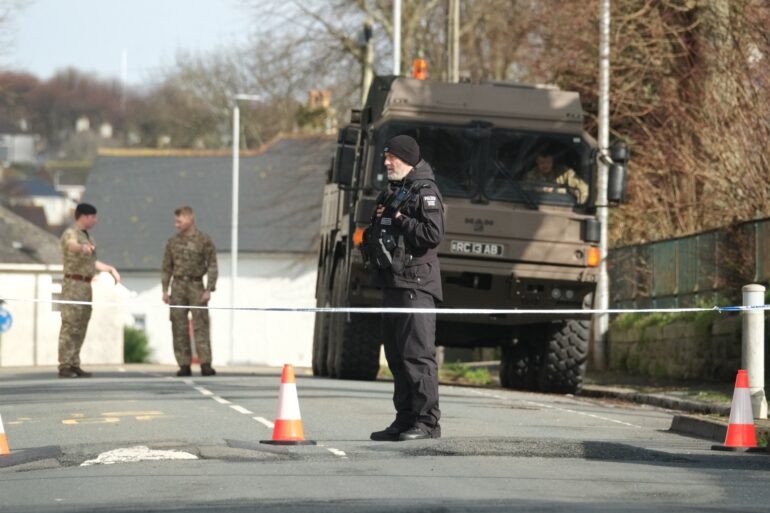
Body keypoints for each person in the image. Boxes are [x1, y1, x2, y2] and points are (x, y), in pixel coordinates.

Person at [365, 135, 445, 441]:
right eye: (385, 157)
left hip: (416, 284)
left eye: (391, 158)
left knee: (417, 356)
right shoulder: (393, 192)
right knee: (396, 357)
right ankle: (406, 418)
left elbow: (432, 234)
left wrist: (400, 220)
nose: (386, 162)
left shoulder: (426, 191)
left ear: (407, 158)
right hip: (393, 283)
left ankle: (427, 423)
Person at [58, 202, 121, 378]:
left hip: (86, 286)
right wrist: (82, 248)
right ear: (84, 216)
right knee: (70, 325)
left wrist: (109, 269)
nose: (95, 220)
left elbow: (91, 262)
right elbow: (71, 246)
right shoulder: (71, 234)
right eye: (92, 217)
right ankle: (64, 365)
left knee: (81, 326)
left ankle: (74, 362)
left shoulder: (88, 237)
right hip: (73, 286)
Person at [161, 205, 218, 377]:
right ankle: (184, 364)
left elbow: (212, 265)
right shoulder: (172, 242)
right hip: (178, 286)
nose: (176, 224)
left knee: (200, 325)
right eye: (176, 221)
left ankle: (205, 363)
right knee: (178, 325)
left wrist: (209, 288)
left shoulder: (204, 240)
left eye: (179, 220)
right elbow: (166, 267)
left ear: (189, 219)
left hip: (196, 286)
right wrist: (165, 289)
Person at [523, 145, 588, 203]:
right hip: (537, 205)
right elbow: (524, 192)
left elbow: (583, 188)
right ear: (537, 162)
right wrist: (537, 190)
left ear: (553, 161)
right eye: (542, 163)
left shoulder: (564, 173)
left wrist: (579, 205)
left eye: (548, 162)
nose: (545, 165)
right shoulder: (531, 175)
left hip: (562, 206)